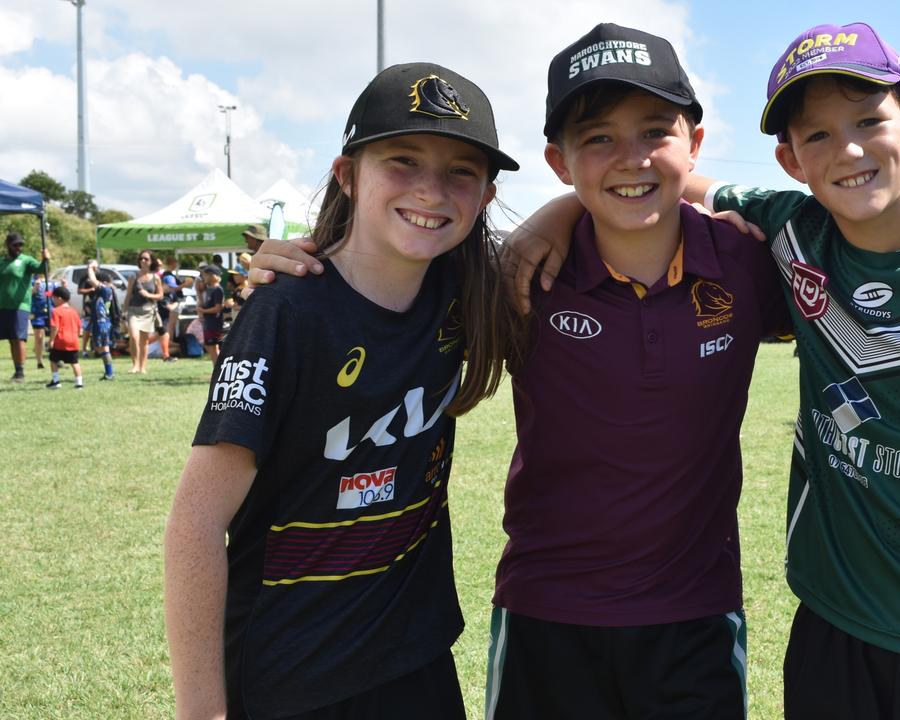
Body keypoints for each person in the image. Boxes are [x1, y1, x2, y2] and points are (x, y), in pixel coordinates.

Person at [510, 21, 900, 719]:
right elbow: (659, 180)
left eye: (869, 121)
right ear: (791, 159)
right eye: (819, 136)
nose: (850, 149)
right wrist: (555, 214)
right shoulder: (796, 234)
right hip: (829, 619)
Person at [248, 24, 783, 720]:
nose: (631, 158)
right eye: (597, 139)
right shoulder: (517, 278)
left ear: (696, 144)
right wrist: (299, 268)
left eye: (656, 131)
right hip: (546, 614)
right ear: (558, 161)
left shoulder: (748, 262)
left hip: (697, 617)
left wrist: (626, 201)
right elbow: (385, 268)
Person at [164, 61, 519, 720]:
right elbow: (196, 522)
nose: (432, 192)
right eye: (403, 161)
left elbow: (567, 234)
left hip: (417, 665)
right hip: (289, 679)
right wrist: (201, 712)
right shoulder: (286, 310)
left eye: (460, 172)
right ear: (348, 175)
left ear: (487, 196)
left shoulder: (466, 293)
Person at [1, 231, 50, 381]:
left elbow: (42, 269)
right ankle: (16, 371)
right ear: (8, 245)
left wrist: (45, 259)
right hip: (3, 306)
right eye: (16, 245)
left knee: (19, 338)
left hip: (20, 306)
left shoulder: (26, 261)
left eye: (21, 245)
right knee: (11, 339)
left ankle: (21, 372)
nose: (19, 247)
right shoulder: (2, 262)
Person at [123, 250, 163, 374]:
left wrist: (148, 294)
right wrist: (124, 313)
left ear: (151, 261)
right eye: (141, 259)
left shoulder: (155, 278)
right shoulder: (133, 276)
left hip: (148, 311)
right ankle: (135, 365)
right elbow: (128, 295)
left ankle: (142, 366)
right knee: (134, 337)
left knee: (144, 340)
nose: (143, 261)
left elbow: (160, 295)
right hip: (133, 310)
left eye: (146, 259)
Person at [82, 261, 118, 380]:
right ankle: (109, 372)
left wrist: (90, 267)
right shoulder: (105, 291)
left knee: (103, 348)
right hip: (103, 321)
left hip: (101, 323)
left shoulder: (105, 290)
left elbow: (92, 279)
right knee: (103, 347)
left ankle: (109, 373)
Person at [45, 286, 84, 389]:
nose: (53, 300)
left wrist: (51, 340)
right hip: (73, 341)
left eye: (54, 298)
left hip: (60, 341)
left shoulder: (56, 311)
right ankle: (79, 383)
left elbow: (55, 327)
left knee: (53, 360)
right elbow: (79, 326)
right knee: (74, 362)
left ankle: (56, 381)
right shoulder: (74, 311)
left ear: (59, 298)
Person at [195, 264, 225, 368]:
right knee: (211, 348)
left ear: (213, 276)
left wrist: (203, 310)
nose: (204, 278)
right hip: (209, 323)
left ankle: (217, 371)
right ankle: (216, 370)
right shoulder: (208, 289)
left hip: (214, 324)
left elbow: (218, 308)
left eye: (206, 275)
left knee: (213, 348)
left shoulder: (217, 290)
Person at [30, 272, 51, 370]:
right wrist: (35, 287)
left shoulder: (48, 282)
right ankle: (39, 361)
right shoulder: (31, 281)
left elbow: (49, 295)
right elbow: (29, 294)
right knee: (39, 338)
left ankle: (56, 358)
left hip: (49, 312)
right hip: (37, 314)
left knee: (54, 335)